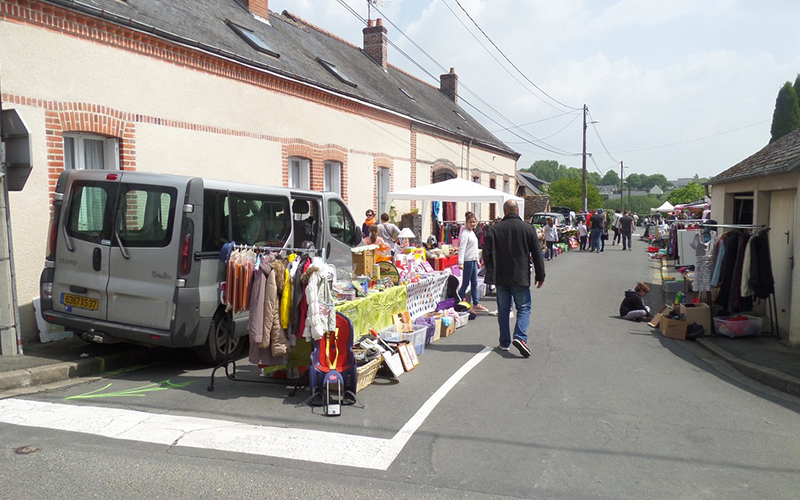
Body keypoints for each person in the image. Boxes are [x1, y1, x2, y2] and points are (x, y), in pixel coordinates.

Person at [482, 199, 545, 358]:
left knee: (503, 309)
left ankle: (504, 342)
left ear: (504, 211)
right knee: (523, 307)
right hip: (520, 274)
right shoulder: (528, 228)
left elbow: (486, 253)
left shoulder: (494, 229)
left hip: (501, 275)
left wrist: (491, 270)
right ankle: (520, 336)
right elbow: (537, 253)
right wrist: (540, 275)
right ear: (517, 210)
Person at [458, 212, 489, 313]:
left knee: (474, 283)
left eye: (474, 222)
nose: (472, 224)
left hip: (473, 261)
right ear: (466, 223)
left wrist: (477, 260)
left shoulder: (472, 233)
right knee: (466, 283)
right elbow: (462, 249)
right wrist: (460, 262)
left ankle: (475, 303)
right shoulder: (465, 234)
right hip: (467, 261)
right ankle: (458, 301)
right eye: (470, 222)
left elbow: (474, 249)